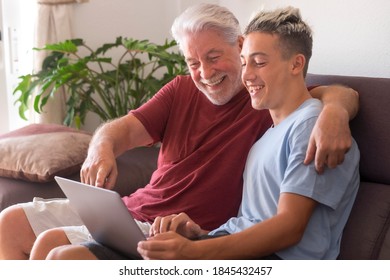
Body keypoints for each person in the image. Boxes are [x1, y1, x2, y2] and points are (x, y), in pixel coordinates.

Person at [0, 3, 358, 260]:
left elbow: (327, 98)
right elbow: (121, 130)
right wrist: (102, 147)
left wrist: (336, 111)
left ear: (239, 44)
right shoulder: (193, 91)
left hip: (188, 234)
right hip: (144, 214)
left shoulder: (270, 103)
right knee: (10, 221)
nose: (203, 72)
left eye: (214, 57)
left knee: (57, 251)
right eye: (192, 62)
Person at [135, 6, 360, 260]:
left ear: (297, 64)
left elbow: (290, 228)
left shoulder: (311, 125)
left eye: (259, 62)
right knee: (94, 252)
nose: (248, 75)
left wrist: (194, 252)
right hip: (232, 248)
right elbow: (251, 224)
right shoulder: (267, 136)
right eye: (244, 62)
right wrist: (198, 235)